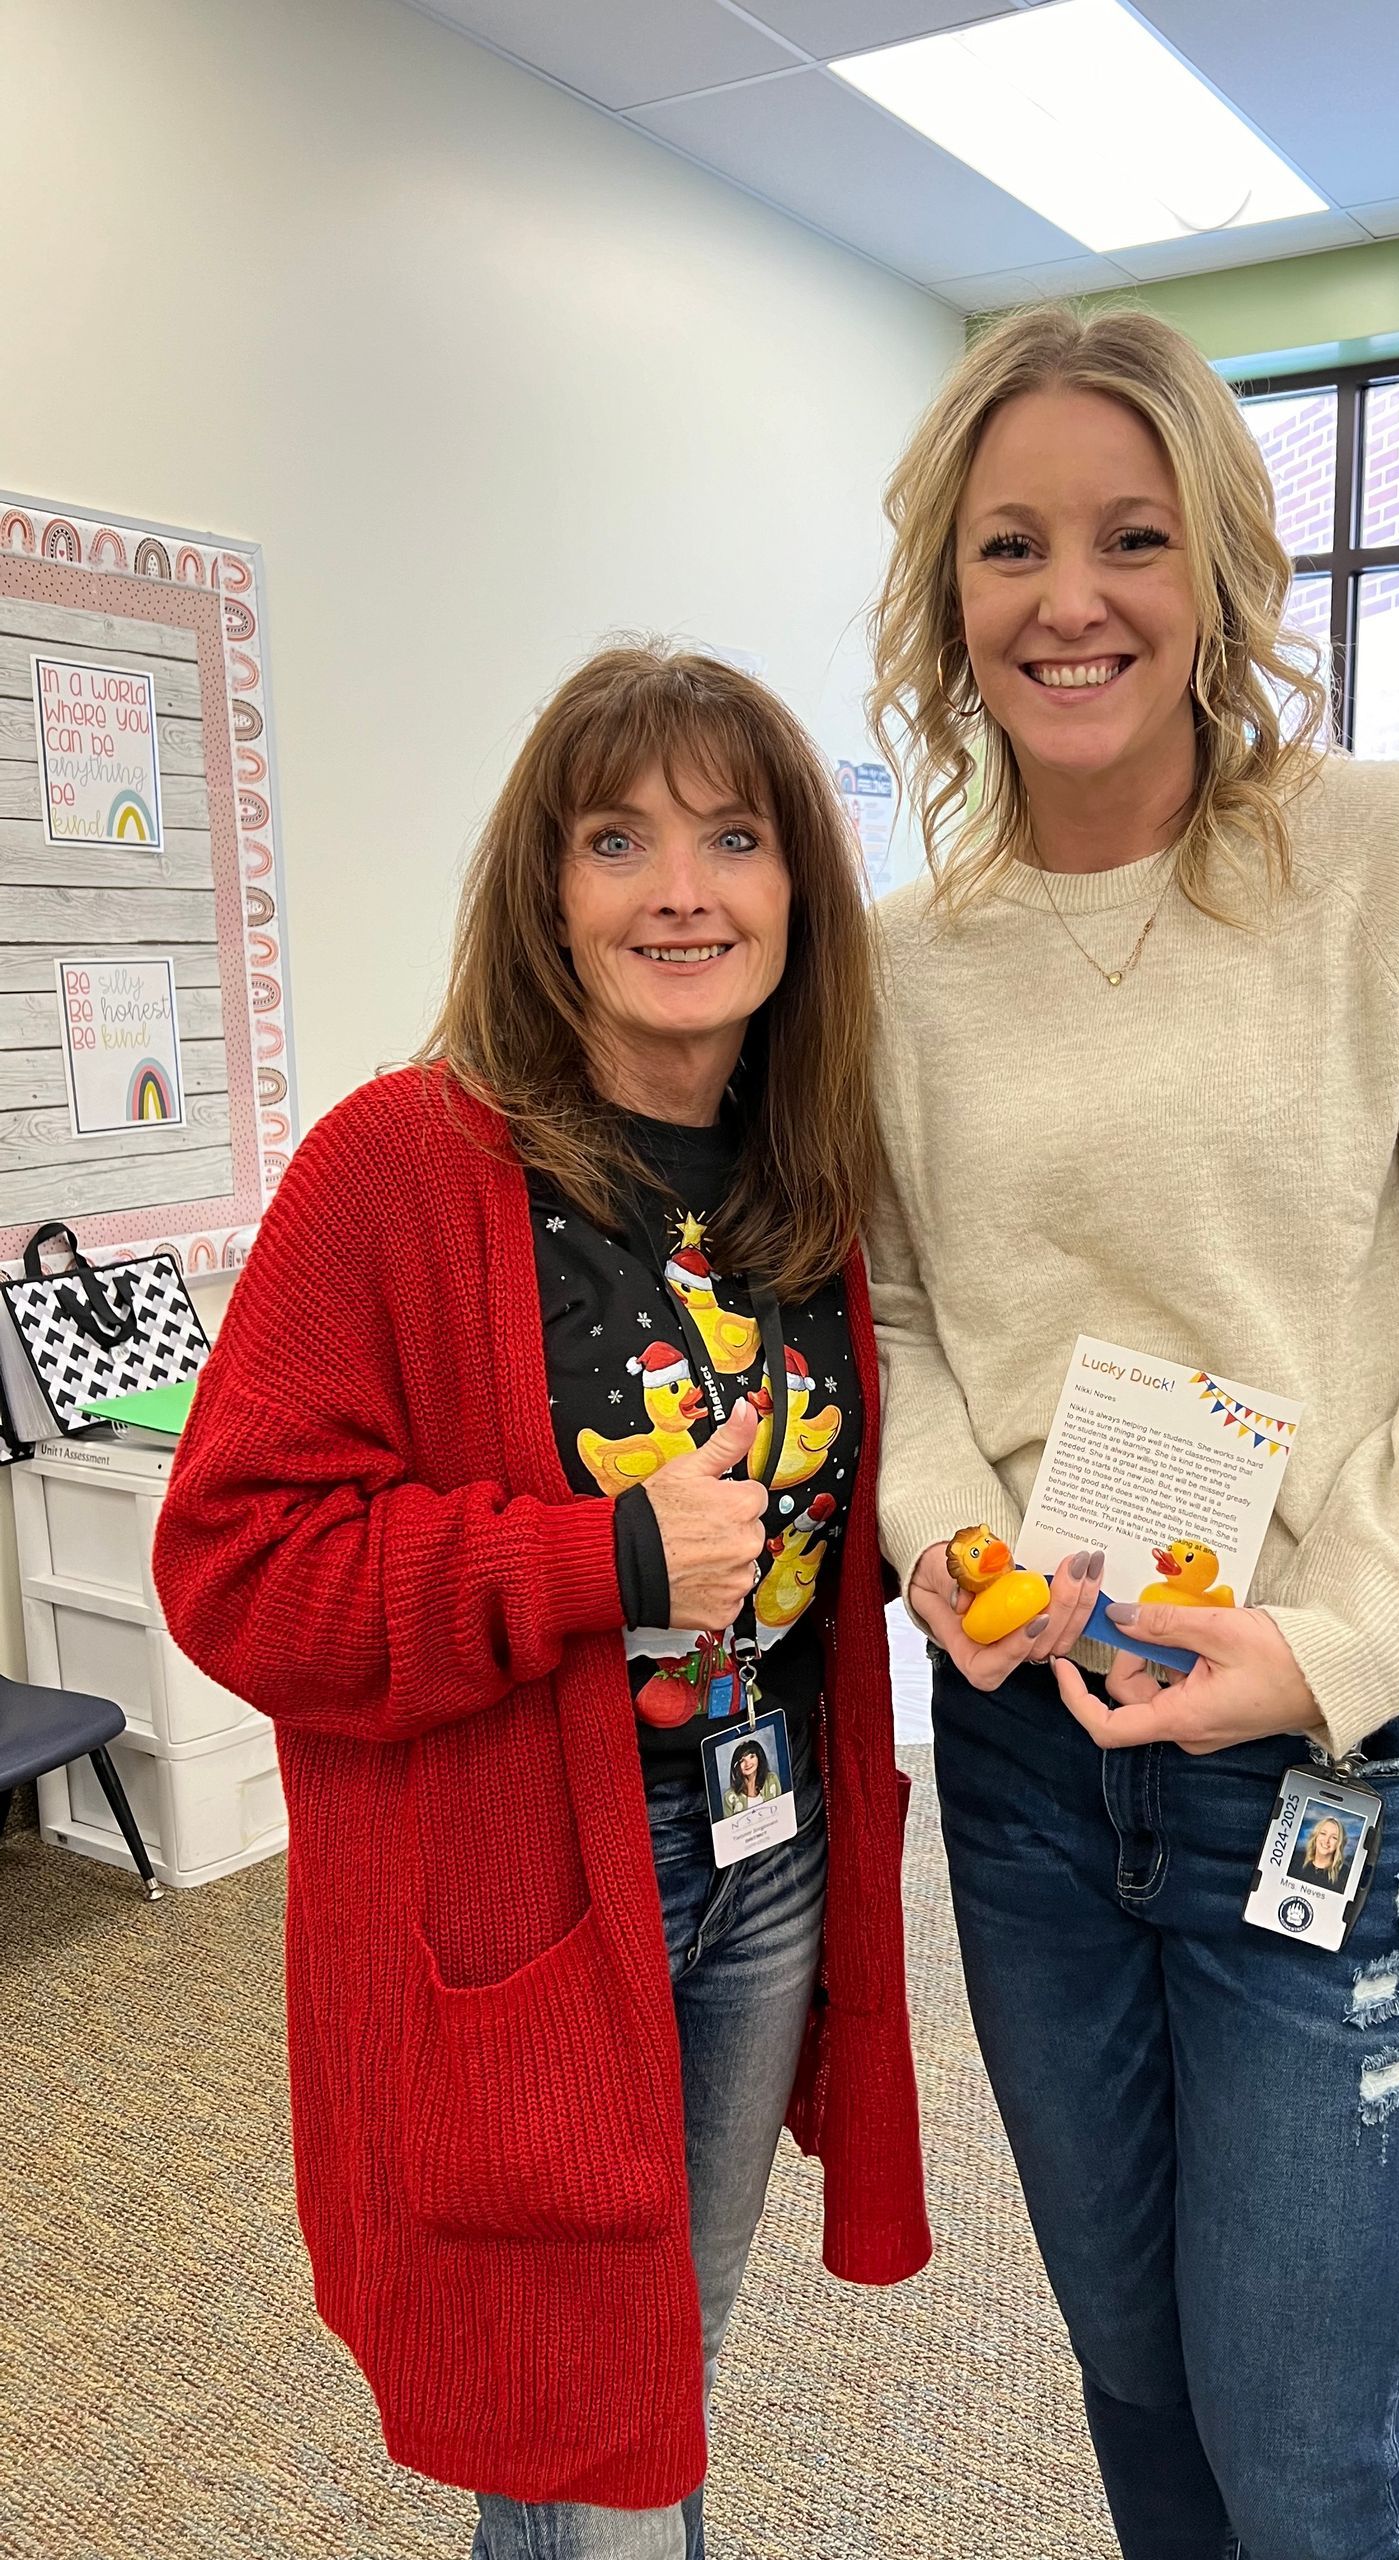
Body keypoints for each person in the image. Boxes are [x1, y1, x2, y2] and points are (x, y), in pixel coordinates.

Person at [864, 303, 1399, 2559]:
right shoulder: (908, 956)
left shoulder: (1393, 857)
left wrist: (1327, 1642)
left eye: (1130, 536)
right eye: (1010, 545)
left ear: (1222, 569)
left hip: (1328, 1754)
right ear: (950, 595)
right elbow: (893, 1309)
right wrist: (947, 1539)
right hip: (1033, 1748)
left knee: (1307, 2451)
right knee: (1141, 2389)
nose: (1069, 597)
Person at [152, 645, 929, 2559]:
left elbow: (865, 1486)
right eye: (619, 839)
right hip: (527, 1879)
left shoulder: (815, 1175)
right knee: (589, 2436)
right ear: (546, 894)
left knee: (663, 2359)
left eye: (734, 838)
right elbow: (236, 1564)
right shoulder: (398, 1168)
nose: (683, 889)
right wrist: (596, 1563)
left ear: (797, 890)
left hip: (772, 1856)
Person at [722, 1737, 784, 1818]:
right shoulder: (729, 1797)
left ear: (759, 1758)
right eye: (742, 1760)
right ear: (736, 1766)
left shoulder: (771, 1779)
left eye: (751, 1757)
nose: (747, 1763)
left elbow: (782, 1811)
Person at [1289, 1813, 1351, 1892]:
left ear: (1340, 1843)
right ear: (1315, 1836)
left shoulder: (1345, 1873)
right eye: (1323, 1833)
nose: (1326, 1840)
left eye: (1334, 1837)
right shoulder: (1296, 1859)